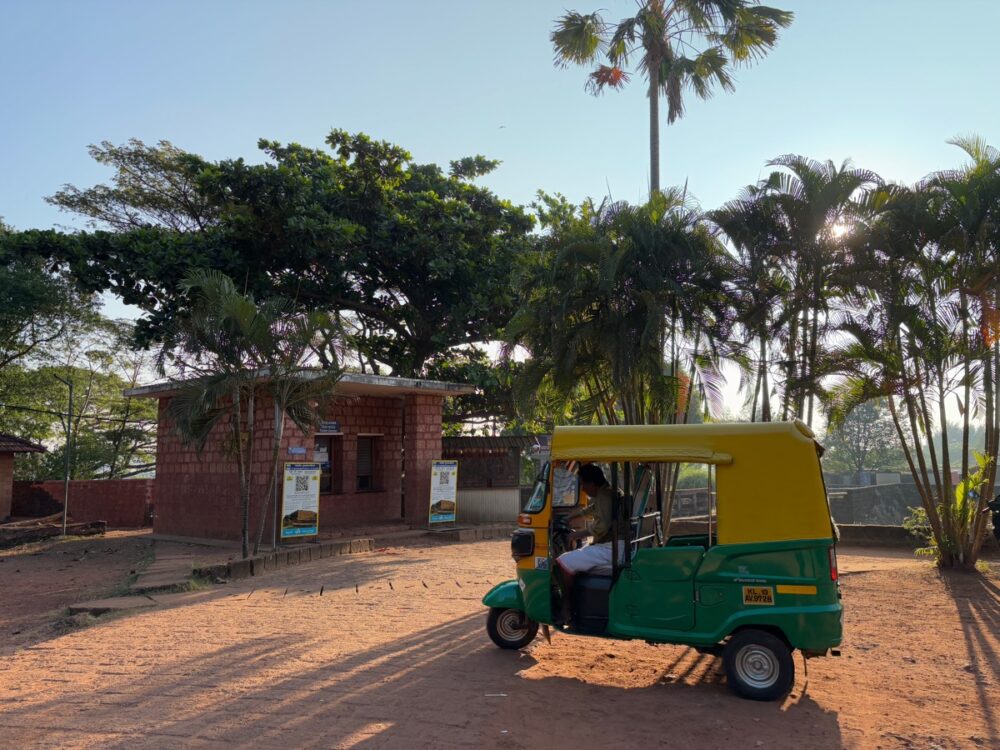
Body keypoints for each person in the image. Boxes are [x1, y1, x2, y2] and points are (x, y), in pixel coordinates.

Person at [554, 464, 627, 623]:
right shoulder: (606, 493)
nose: (583, 489)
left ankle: (566, 606)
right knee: (577, 557)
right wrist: (573, 516)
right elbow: (593, 509)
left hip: (613, 548)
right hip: (614, 545)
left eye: (583, 484)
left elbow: (603, 526)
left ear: (591, 483)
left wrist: (578, 534)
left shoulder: (605, 496)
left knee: (563, 561)